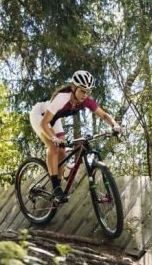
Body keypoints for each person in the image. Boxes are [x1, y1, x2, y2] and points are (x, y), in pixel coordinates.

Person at [29, 70, 121, 202]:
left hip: (54, 119)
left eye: (88, 91)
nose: (85, 95)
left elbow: (104, 115)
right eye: (82, 91)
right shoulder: (62, 98)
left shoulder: (86, 100)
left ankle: (58, 187)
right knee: (54, 147)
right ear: (73, 87)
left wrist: (114, 124)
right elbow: (44, 124)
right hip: (40, 116)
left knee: (63, 152)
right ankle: (56, 188)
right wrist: (53, 138)